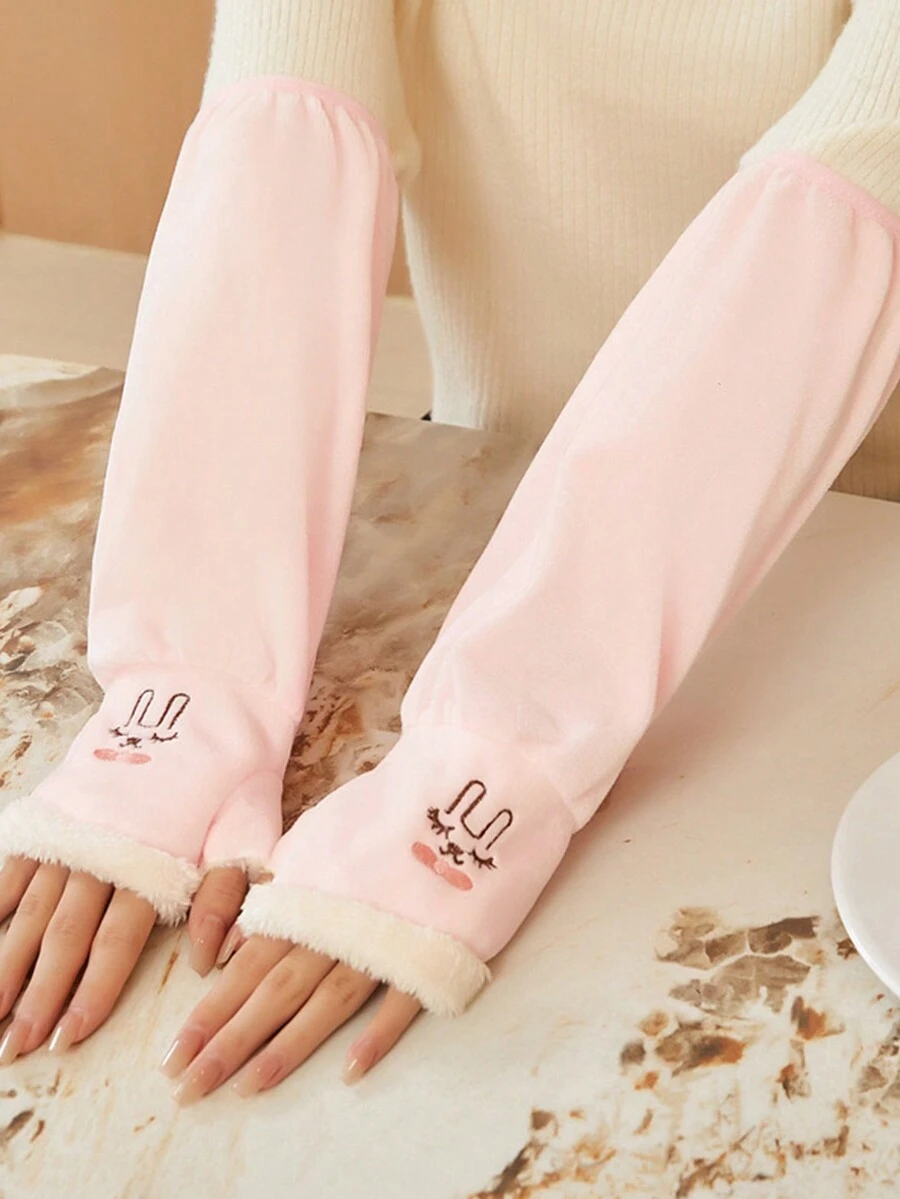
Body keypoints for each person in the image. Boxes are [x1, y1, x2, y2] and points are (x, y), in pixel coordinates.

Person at [0, 0, 899, 1105]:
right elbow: (282, 127)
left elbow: (855, 181)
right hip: (487, 495)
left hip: (856, 579)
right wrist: (185, 686)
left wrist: (487, 767)